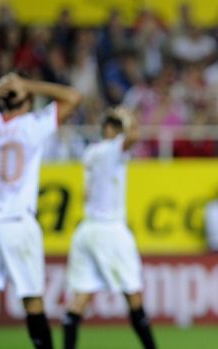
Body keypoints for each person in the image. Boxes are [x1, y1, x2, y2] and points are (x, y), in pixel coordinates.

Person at [0, 72, 83, 349]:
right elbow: (73, 97)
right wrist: (27, 84)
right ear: (28, 101)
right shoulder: (32, 125)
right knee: (32, 300)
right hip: (16, 223)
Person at [62, 108, 157, 349]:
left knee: (79, 300)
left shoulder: (91, 152)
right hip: (110, 229)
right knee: (133, 295)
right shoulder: (110, 150)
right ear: (110, 130)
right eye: (118, 127)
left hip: (86, 230)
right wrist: (128, 117)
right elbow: (134, 137)